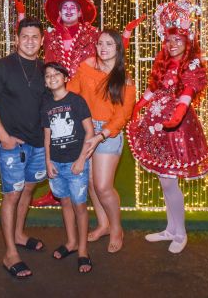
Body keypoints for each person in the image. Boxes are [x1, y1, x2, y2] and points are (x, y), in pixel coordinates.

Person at [21, 0, 143, 207]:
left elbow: (112, 53)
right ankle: (56, 190)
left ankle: (77, 194)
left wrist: (126, 34)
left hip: (87, 102)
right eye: (64, 7)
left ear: (80, 12)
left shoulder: (93, 35)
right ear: (59, 12)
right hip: (58, 94)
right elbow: (29, 46)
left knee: (81, 152)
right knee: (58, 140)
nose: (68, 11)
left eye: (72, 7)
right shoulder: (50, 36)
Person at [127, 0, 208, 254]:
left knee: (170, 181)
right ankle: (170, 228)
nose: (172, 44)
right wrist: (140, 104)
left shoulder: (192, 64)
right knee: (165, 181)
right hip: (158, 125)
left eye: (178, 40)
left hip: (177, 129)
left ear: (188, 42)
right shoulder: (163, 62)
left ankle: (180, 232)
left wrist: (177, 115)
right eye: (169, 40)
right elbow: (156, 88)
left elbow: (187, 92)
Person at [0, 17, 48, 279]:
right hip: (12, 145)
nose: (30, 41)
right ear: (17, 39)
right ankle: (10, 253)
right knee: (12, 194)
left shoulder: (45, 70)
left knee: (28, 189)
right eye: (25, 36)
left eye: (35, 37)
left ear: (41, 41)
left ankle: (19, 234)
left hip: (38, 145)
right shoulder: (2, 68)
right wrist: (4, 137)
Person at [67, 29, 135, 253]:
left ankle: (116, 228)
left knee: (104, 186)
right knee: (92, 185)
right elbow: (71, 92)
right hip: (85, 128)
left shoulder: (124, 78)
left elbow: (123, 115)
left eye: (109, 44)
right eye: (99, 43)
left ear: (118, 48)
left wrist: (101, 135)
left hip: (107, 132)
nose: (103, 48)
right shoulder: (87, 67)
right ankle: (103, 224)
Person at [41, 62, 94, 273]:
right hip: (56, 163)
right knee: (64, 202)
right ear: (45, 82)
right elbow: (47, 137)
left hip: (75, 164)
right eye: (48, 75)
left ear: (65, 77)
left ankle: (83, 250)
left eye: (56, 74)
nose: (52, 77)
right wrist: (47, 162)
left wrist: (82, 159)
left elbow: (89, 133)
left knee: (79, 206)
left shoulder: (76, 101)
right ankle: (71, 242)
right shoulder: (46, 106)